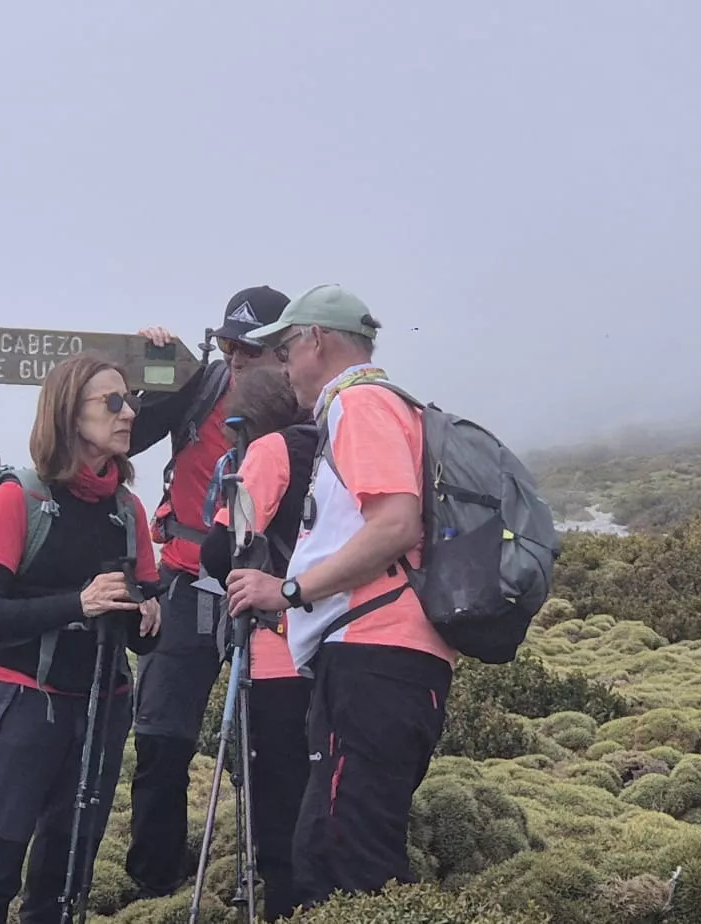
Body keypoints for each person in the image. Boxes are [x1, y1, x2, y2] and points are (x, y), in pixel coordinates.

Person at [226, 284, 453, 908]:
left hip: (376, 654)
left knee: (349, 858)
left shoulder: (361, 405)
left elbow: (395, 524)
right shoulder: (382, 408)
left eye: (285, 350)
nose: (282, 368)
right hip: (383, 657)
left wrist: (290, 589)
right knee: (330, 850)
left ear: (315, 341)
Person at [0, 354, 162, 924]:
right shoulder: (22, 498)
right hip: (22, 707)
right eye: (111, 402)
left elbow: (141, 640)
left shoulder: (128, 509)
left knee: (66, 882)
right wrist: (79, 603)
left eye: (130, 401)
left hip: (102, 708)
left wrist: (148, 617)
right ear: (69, 414)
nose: (128, 413)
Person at [124, 285, 289, 896]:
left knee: (269, 750)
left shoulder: (306, 406)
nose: (237, 355)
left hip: (273, 595)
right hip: (187, 582)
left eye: (250, 344)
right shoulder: (202, 385)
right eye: (227, 342)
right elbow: (128, 436)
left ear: (284, 345)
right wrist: (152, 370)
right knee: (161, 744)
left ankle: (272, 881)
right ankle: (154, 889)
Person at [196, 367, 318, 922]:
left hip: (279, 654)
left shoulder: (268, 452)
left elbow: (220, 552)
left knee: (278, 802)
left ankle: (285, 910)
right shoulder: (332, 444)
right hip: (344, 652)